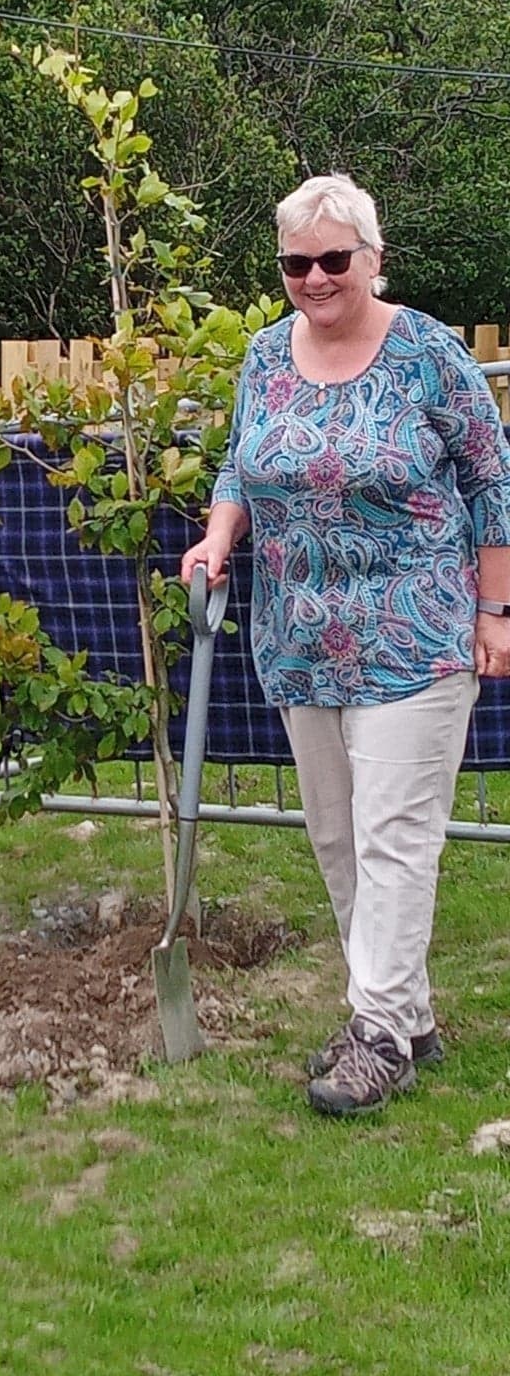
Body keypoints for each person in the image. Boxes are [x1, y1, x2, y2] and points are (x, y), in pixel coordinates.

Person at [181, 173, 510, 1116]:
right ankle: (406, 1016)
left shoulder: (428, 354)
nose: (317, 277)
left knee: (396, 837)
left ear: (373, 257)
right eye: (298, 262)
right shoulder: (263, 357)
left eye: (335, 258)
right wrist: (218, 535)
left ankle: (376, 1033)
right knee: (336, 837)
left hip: (416, 630)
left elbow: (493, 481)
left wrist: (498, 611)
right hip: (300, 636)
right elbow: (241, 460)